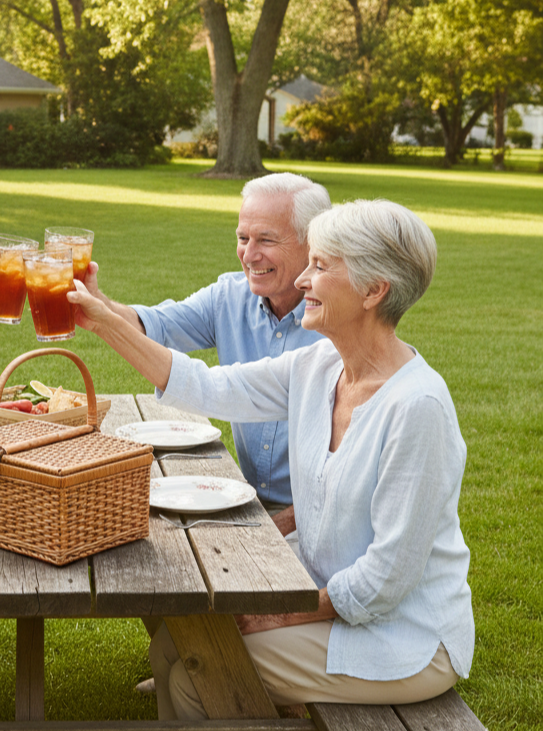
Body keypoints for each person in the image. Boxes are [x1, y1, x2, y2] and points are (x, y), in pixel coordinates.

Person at [69, 200, 474, 717]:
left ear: (375, 291)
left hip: (402, 635)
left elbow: (386, 578)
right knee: (171, 646)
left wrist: (278, 615)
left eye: (322, 266)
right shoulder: (320, 364)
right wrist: (104, 322)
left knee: (204, 667)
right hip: (341, 608)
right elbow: (210, 387)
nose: (303, 280)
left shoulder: (417, 407)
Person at [84, 173, 331, 529]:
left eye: (266, 240)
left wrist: (273, 531)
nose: (249, 254)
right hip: (248, 501)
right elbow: (157, 325)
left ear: (312, 244)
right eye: (243, 238)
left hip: (311, 521)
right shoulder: (229, 297)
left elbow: (344, 484)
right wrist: (100, 306)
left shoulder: (336, 325)